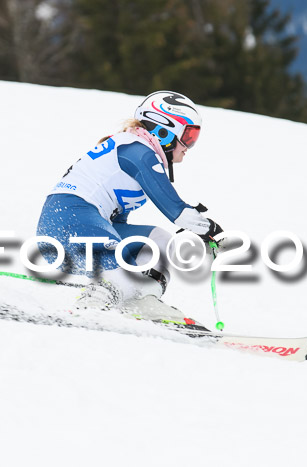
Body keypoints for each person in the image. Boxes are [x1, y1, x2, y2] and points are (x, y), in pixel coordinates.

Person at [36, 90, 223, 325]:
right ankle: (91, 305)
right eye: (188, 136)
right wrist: (212, 231)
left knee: (159, 241)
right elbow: (175, 208)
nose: (189, 146)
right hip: (67, 221)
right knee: (119, 266)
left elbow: (117, 225)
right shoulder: (137, 151)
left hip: (87, 227)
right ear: (164, 130)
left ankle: (141, 300)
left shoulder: (138, 150)